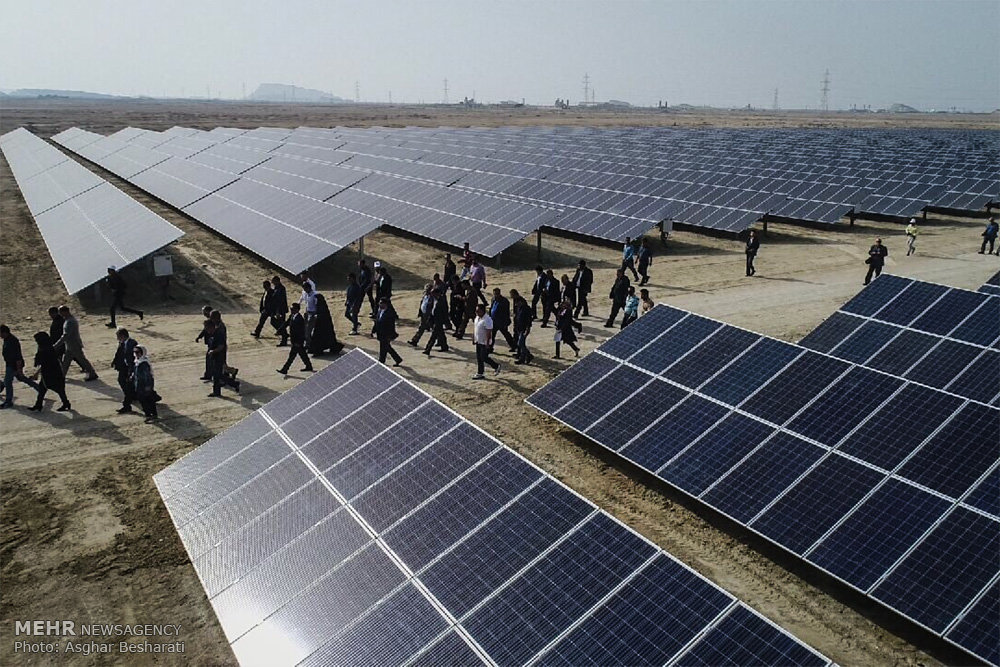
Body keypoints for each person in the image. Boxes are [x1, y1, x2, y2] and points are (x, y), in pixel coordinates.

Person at [28, 332, 71, 412]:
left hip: (51, 373)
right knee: (43, 388)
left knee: (57, 389)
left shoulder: (45, 350)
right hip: (50, 372)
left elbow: (44, 362)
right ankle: (38, 404)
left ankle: (65, 403)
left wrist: (36, 373)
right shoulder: (47, 348)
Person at [53, 305, 98, 381]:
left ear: (65, 312)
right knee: (66, 361)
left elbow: (66, 335)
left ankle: (92, 373)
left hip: (74, 345)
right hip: (71, 345)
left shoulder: (70, 322)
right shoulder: (69, 320)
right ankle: (61, 376)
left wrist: (56, 345)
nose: (60, 314)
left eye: (61, 312)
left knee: (81, 360)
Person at [1, 325, 39, 409]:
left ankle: (8, 401)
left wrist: (19, 369)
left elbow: (18, 357)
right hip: (11, 364)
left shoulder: (12, 341)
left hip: (13, 365)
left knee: (8, 382)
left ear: (5, 333)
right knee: (21, 378)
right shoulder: (7, 339)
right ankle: (40, 389)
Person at [204, 318, 240, 397]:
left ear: (211, 327)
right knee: (217, 375)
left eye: (207, 328)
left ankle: (232, 384)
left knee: (217, 375)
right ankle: (228, 386)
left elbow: (221, 346)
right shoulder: (212, 334)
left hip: (219, 357)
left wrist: (213, 351)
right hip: (214, 357)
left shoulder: (218, 334)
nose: (206, 330)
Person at [278, 303, 313, 374]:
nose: (291, 310)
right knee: (302, 354)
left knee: (292, 356)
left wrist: (299, 342)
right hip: (294, 340)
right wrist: (279, 330)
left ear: (297, 310)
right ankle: (309, 366)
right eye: (291, 309)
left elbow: (301, 332)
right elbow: (286, 323)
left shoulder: (300, 319)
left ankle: (285, 369)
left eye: (292, 309)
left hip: (297, 341)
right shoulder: (292, 316)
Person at [111, 327, 138, 413]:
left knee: (129, 385)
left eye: (118, 336)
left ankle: (127, 404)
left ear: (122, 336)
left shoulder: (132, 343)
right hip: (123, 366)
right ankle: (131, 396)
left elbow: (135, 356)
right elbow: (118, 353)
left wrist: (133, 369)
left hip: (130, 367)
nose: (117, 339)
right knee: (122, 381)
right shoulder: (122, 343)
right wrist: (114, 362)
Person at [472, 303, 500, 379]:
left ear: (483, 311)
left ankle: (496, 366)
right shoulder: (477, 318)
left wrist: (487, 343)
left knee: (484, 357)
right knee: (479, 358)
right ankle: (480, 373)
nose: (476, 312)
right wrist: (474, 338)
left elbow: (489, 332)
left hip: (484, 342)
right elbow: (475, 328)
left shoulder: (487, 320)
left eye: (478, 311)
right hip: (478, 340)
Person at [372, 297, 402, 366]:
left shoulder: (389, 313)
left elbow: (391, 326)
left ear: (385, 304)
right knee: (387, 347)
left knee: (383, 347)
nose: (379, 304)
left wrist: (390, 335)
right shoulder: (379, 311)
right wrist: (373, 330)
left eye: (381, 303)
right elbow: (377, 322)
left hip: (386, 334)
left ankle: (381, 361)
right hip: (380, 333)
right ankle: (397, 359)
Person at [133, 345, 160, 423]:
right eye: (134, 352)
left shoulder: (144, 363)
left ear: (142, 352)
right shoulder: (138, 361)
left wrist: (148, 386)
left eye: (137, 352)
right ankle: (151, 415)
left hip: (144, 385)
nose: (136, 354)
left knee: (147, 400)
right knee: (145, 400)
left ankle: (150, 415)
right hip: (139, 385)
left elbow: (147, 376)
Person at [423, 288, 450, 355]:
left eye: (433, 293)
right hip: (434, 319)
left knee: (434, 335)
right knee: (441, 334)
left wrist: (446, 321)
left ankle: (428, 349)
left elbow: (445, 311)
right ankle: (444, 346)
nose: (432, 294)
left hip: (439, 320)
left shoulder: (441, 301)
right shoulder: (434, 299)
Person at [511, 290, 534, 365]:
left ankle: (526, 356)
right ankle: (525, 356)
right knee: (521, 344)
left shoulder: (526, 309)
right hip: (519, 328)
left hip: (523, 329)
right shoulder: (519, 308)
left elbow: (528, 320)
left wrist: (527, 328)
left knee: (520, 343)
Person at [489, 288, 515, 352]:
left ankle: (513, 346)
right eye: (495, 294)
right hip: (493, 321)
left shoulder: (504, 301)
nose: (496, 295)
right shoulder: (493, 299)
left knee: (506, 335)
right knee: (492, 336)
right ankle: (490, 348)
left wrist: (506, 322)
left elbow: (506, 313)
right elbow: (491, 308)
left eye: (497, 294)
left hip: (501, 321)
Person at [195, 305, 213, 379]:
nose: (203, 314)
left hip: (213, 343)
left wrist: (199, 336)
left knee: (209, 359)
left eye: (204, 312)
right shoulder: (212, 320)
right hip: (212, 342)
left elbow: (205, 330)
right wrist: (200, 336)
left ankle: (209, 375)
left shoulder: (211, 321)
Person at [300, 280, 319, 348]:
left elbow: (317, 305)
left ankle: (308, 345)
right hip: (308, 313)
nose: (304, 291)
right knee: (306, 329)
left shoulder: (315, 295)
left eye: (305, 289)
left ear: (308, 288)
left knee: (308, 330)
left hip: (313, 314)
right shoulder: (307, 295)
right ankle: (309, 344)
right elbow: (307, 305)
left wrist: (315, 314)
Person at [271, 277, 289, 344]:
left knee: (281, 323)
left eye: (274, 282)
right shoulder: (276, 288)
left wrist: (278, 311)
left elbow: (280, 301)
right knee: (274, 322)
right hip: (277, 309)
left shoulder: (281, 288)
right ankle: (282, 332)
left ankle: (284, 337)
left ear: (277, 281)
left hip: (281, 309)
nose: (273, 283)